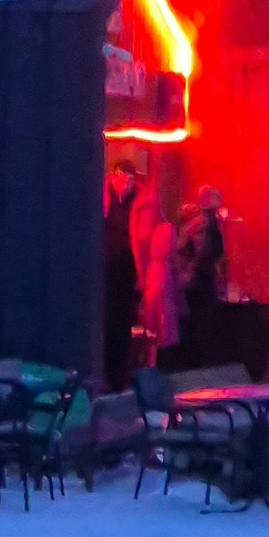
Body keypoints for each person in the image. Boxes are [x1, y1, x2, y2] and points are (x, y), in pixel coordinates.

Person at [103, 160, 143, 388]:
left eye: (130, 178)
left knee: (123, 324)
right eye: (122, 176)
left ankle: (119, 377)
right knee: (106, 323)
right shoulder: (104, 197)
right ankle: (108, 374)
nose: (126, 182)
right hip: (106, 270)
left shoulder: (139, 201)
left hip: (127, 271)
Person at [134, 187, 180, 358]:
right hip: (157, 274)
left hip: (157, 274)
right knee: (157, 319)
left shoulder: (160, 229)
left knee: (158, 319)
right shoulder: (162, 229)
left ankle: (157, 360)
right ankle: (156, 360)